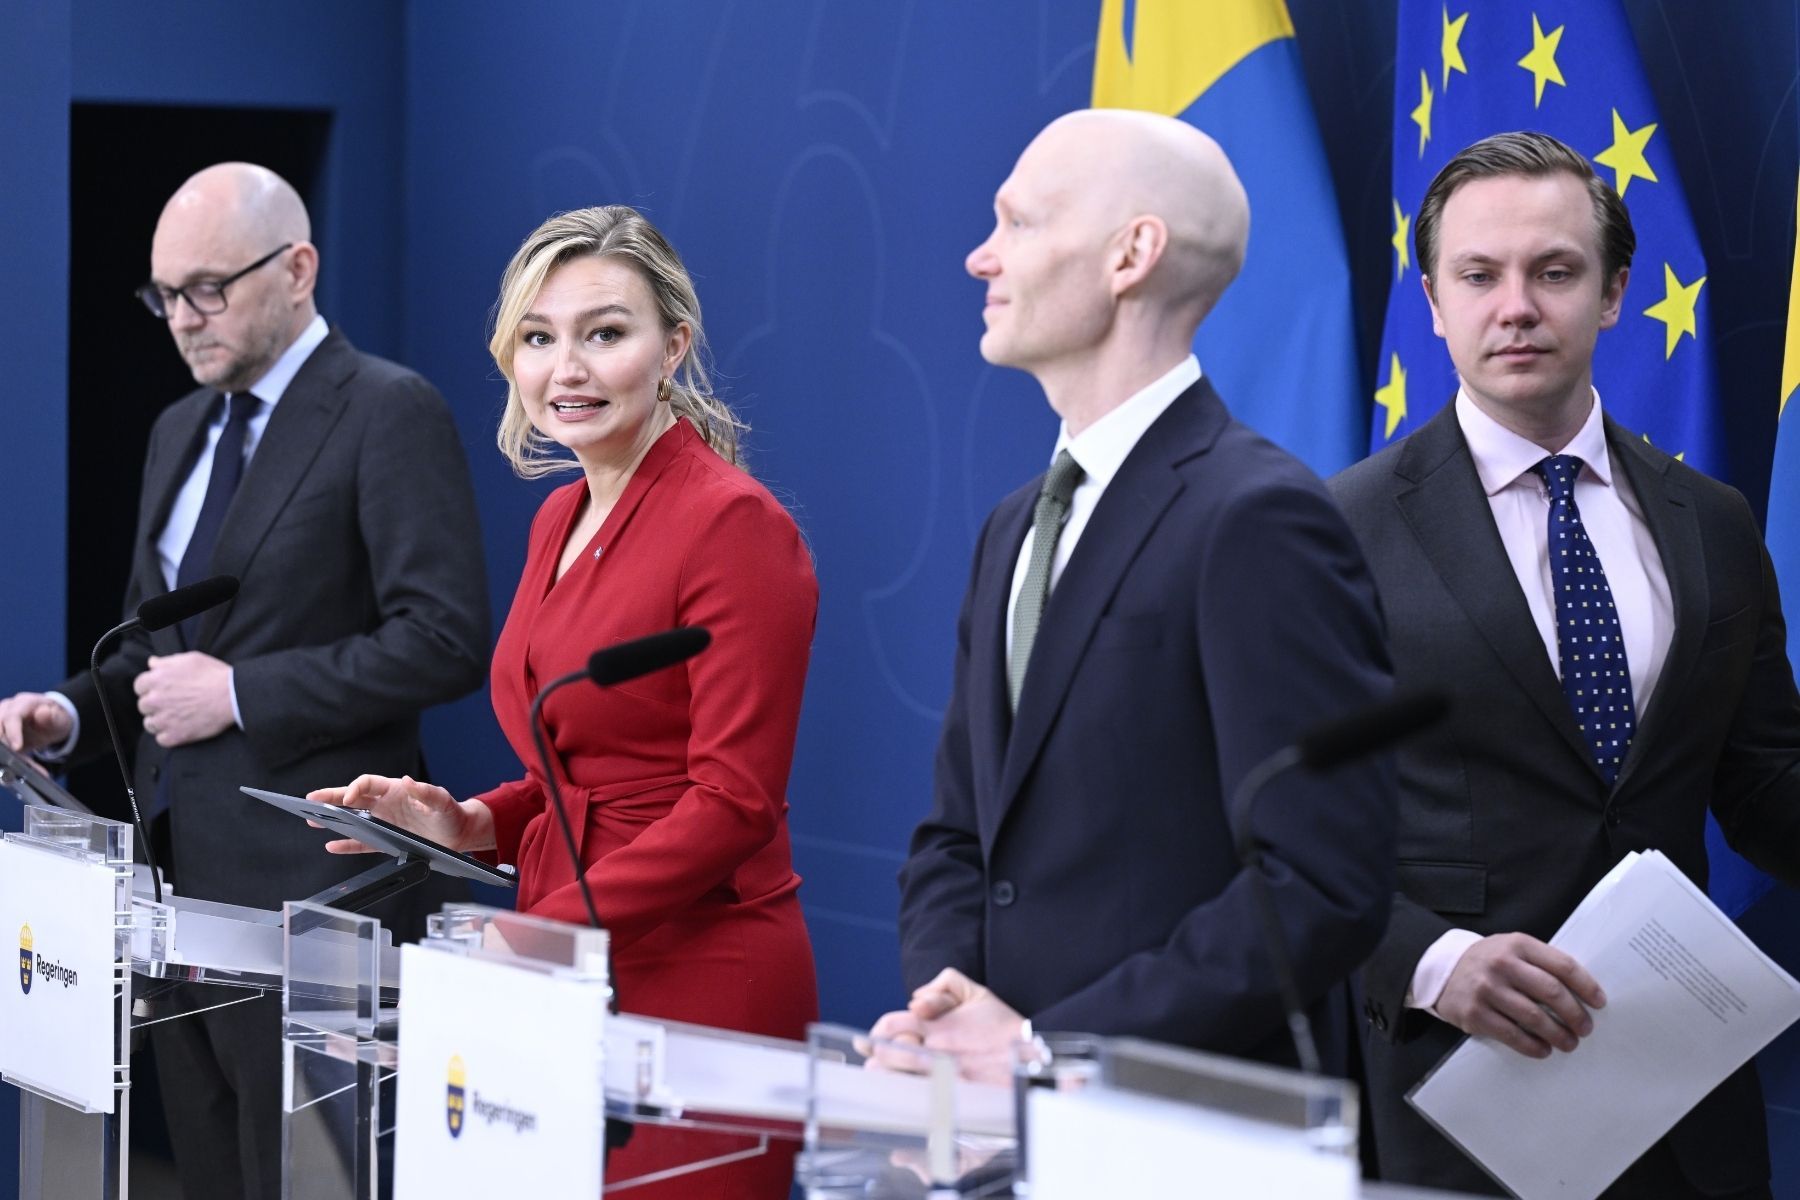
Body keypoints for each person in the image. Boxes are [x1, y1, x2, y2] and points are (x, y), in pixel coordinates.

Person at [874, 109, 1397, 1084]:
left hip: (1193, 1136)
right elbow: (959, 833)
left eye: (1018, 224)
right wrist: (949, 1010)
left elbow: (1322, 883)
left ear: (1132, 254)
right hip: (1012, 1130)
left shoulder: (1260, 516)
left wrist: (1047, 1047)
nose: (981, 259)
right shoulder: (1013, 527)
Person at [0, 163, 490, 1200]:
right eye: (165, 295)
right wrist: (63, 717)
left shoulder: (388, 410)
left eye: (209, 288)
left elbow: (444, 639)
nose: (183, 318)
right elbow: (151, 656)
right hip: (174, 899)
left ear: (299, 268)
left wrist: (243, 694)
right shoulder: (178, 430)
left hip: (320, 903)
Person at [311, 206, 819, 1199]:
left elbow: (732, 801)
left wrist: (536, 936)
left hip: (700, 976)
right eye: (539, 339)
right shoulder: (560, 513)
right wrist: (470, 822)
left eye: (605, 333)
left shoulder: (735, 526)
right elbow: (577, 766)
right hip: (558, 964)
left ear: (672, 346)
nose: (567, 368)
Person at [1331, 130, 1800, 1198]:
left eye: (1554, 272)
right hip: (1453, 1102)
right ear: (1435, 301)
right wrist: (1433, 963)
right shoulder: (1334, 533)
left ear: (1616, 291)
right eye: (1479, 276)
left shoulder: (1713, 524)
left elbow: (1768, 783)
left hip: (1684, 1104)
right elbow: (1265, 824)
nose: (1517, 307)